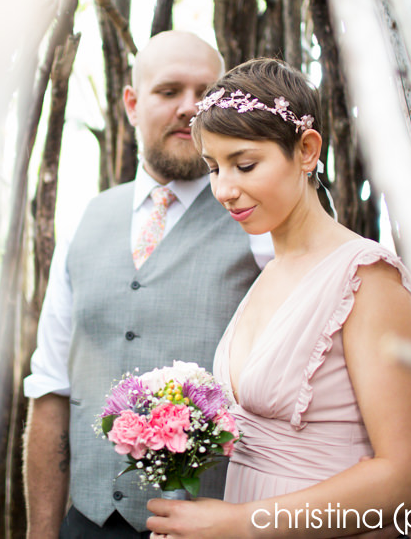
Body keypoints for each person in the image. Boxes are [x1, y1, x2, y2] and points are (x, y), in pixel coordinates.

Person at [147, 58, 411, 538]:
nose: (224, 189)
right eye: (214, 167)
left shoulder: (366, 279)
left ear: (306, 150)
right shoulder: (270, 273)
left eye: (244, 164)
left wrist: (242, 523)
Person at [23, 31, 273, 539]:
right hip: (87, 524)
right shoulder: (86, 221)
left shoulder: (262, 224)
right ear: (133, 105)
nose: (190, 108)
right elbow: (51, 386)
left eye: (206, 93)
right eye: (169, 91)